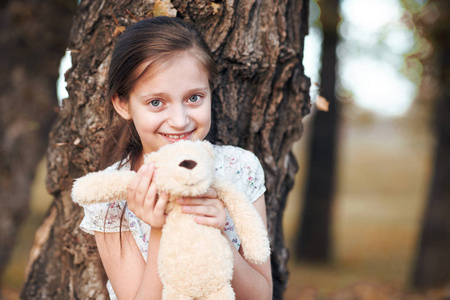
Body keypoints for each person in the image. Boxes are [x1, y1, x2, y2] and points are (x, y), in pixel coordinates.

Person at [79, 16, 272, 299]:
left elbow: (261, 295)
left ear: (210, 92)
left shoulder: (239, 169)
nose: (180, 121)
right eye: (156, 102)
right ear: (123, 105)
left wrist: (218, 234)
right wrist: (159, 230)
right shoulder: (112, 197)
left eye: (194, 98)